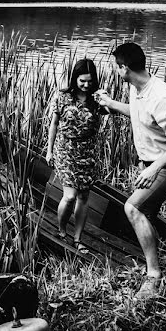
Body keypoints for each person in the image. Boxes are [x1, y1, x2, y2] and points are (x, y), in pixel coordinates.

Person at [94, 42, 166, 300]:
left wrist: (154, 169)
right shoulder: (136, 88)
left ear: (125, 68)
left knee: (133, 208)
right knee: (145, 211)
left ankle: (153, 276)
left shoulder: (161, 96)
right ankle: (160, 260)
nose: (116, 72)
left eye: (117, 67)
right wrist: (110, 104)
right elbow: (138, 115)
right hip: (152, 165)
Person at [45, 58, 104, 254]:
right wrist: (49, 149)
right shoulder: (62, 97)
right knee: (69, 196)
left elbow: (114, 109)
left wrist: (106, 98)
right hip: (65, 150)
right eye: (82, 81)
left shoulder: (97, 100)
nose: (86, 85)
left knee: (84, 196)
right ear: (74, 79)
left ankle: (78, 238)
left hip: (87, 153)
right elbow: (54, 124)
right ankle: (62, 230)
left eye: (90, 81)